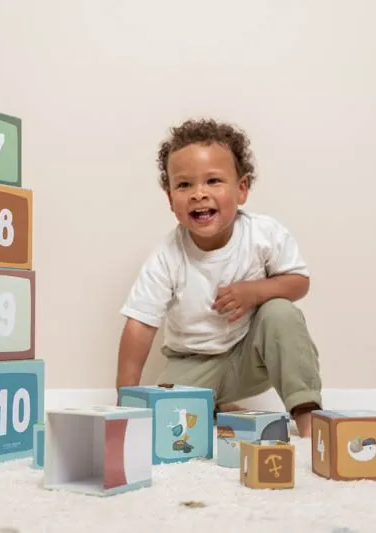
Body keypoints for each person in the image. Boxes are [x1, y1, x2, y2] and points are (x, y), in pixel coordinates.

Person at [114, 118, 322, 437]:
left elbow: (298, 282)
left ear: (241, 189)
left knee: (281, 313)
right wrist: (124, 402)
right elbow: (140, 325)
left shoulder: (262, 235)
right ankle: (217, 409)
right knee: (167, 417)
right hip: (193, 364)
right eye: (184, 185)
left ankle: (307, 413)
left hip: (249, 356)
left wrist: (255, 292)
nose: (199, 194)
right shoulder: (168, 255)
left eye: (213, 181)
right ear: (170, 199)